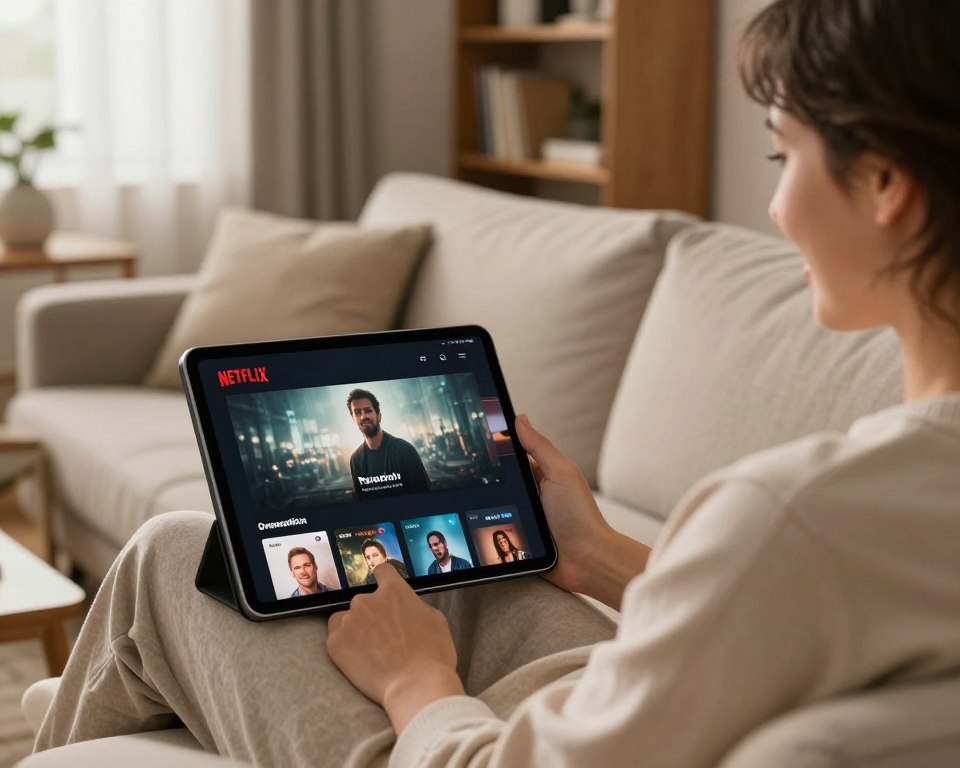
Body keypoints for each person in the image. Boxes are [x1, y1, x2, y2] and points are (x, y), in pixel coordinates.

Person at [33, 2, 960, 766]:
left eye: (781, 154)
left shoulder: (787, 515)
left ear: (884, 181)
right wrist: (594, 552)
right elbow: (777, 619)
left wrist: (414, 681)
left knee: (171, 559)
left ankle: (77, 723)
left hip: (480, 740)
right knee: (465, 573)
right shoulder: (873, 510)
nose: (773, 204)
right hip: (616, 691)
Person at [347, 388, 431, 499]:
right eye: (357, 413)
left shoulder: (404, 450)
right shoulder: (355, 459)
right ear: (353, 419)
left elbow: (423, 496)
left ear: (379, 416)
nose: (363, 417)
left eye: (368, 410)